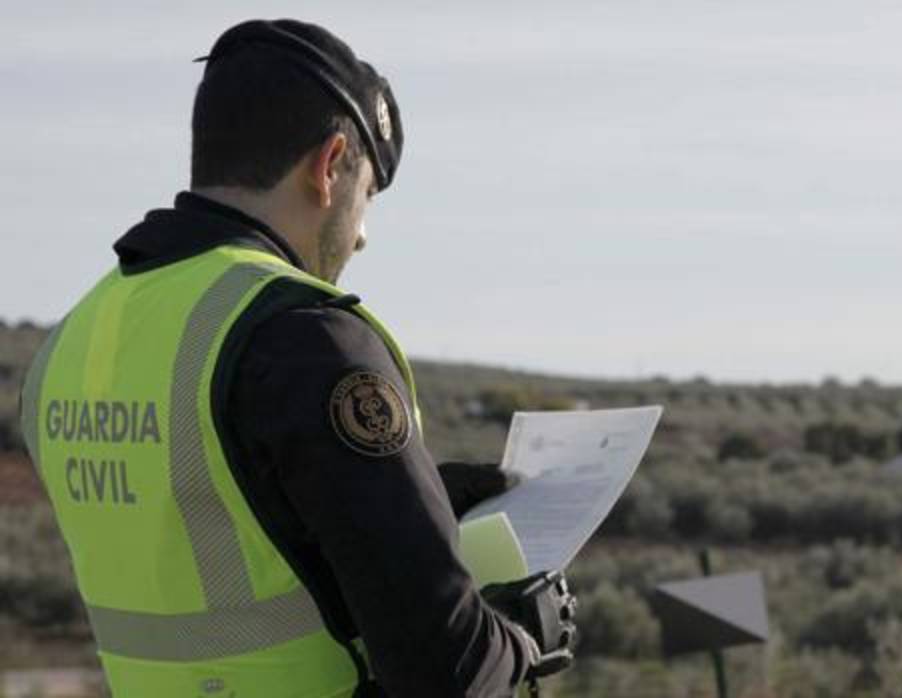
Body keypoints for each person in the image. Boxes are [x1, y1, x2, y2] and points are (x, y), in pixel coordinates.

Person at [18, 18, 576, 698]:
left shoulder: (74, 339)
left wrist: (409, 492)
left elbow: (212, 516)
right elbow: (446, 672)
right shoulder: (306, 338)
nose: (362, 235)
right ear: (330, 163)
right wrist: (519, 638)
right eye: (366, 195)